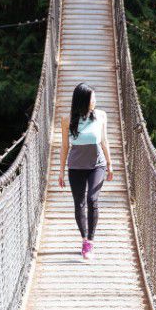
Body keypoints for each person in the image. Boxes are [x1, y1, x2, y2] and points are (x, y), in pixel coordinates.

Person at [58, 83, 114, 260]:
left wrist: (110, 164)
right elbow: (65, 146)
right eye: (92, 98)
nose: (95, 101)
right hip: (75, 167)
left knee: (92, 199)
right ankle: (84, 240)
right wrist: (60, 171)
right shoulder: (67, 120)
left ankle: (91, 240)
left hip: (97, 164)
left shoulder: (101, 116)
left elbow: (104, 141)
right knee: (79, 203)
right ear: (83, 101)